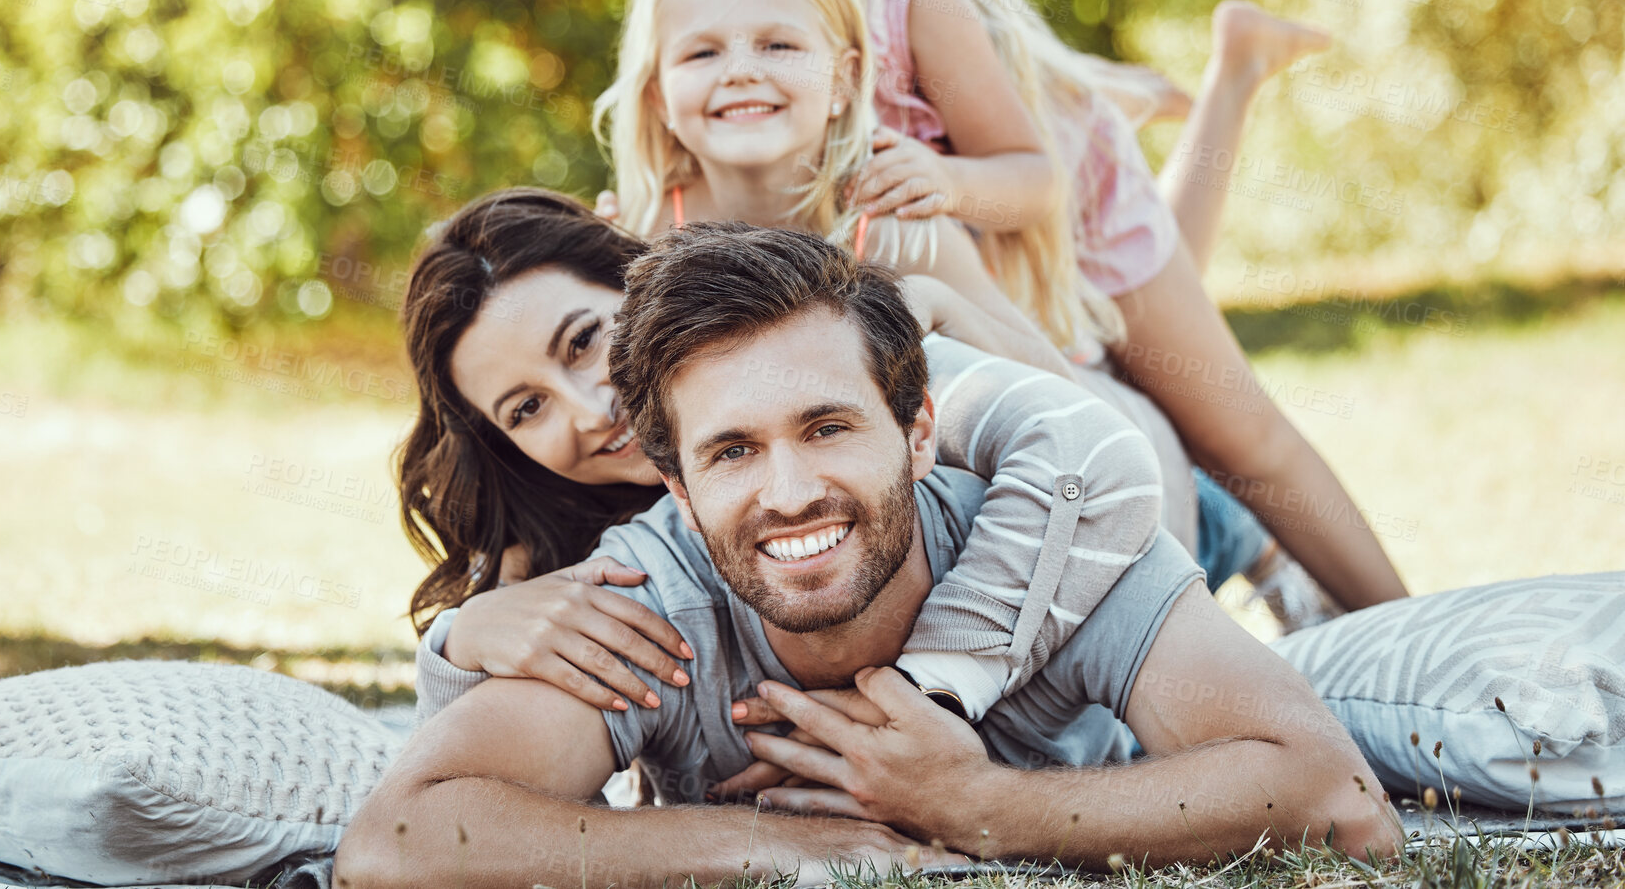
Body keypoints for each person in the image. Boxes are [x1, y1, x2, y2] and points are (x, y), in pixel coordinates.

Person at [333, 222, 1402, 887]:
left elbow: (1340, 798)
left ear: (919, 427)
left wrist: (978, 802)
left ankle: (1272, 557)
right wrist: (781, 848)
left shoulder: (1048, 527)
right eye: (733, 450)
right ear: (675, 480)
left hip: (1145, 472)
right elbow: (397, 840)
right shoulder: (627, 597)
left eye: (828, 426)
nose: (788, 486)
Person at [593, 0, 1397, 620]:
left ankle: (1253, 548)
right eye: (702, 52)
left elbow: (1063, 397)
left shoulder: (895, 223)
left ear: (844, 84)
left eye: (777, 45)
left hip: (1130, 490)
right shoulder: (637, 241)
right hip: (836, 530)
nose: (740, 68)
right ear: (659, 94)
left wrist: (943, 301)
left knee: (1179, 499)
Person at [399, 186, 1166, 726]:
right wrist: (462, 639)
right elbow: (457, 779)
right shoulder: (555, 561)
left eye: (583, 340)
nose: (592, 407)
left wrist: (917, 692)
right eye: (527, 409)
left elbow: (1087, 449)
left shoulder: (800, 356)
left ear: (633, 280)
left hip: (1144, 530)